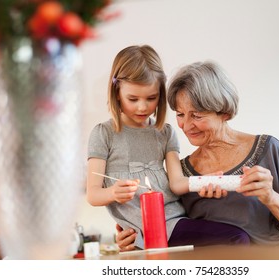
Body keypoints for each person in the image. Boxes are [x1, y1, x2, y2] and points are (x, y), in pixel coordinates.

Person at [116, 60, 279, 250]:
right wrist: (133, 240)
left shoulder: (268, 150)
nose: (186, 125)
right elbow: (174, 233)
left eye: (197, 115)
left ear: (224, 112)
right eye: (180, 114)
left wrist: (270, 197)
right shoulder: (183, 176)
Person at [86, 46, 250, 250]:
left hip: (176, 220)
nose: (142, 107)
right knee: (237, 239)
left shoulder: (165, 133)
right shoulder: (104, 134)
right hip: (147, 232)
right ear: (116, 92)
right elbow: (92, 194)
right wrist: (112, 193)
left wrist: (206, 182)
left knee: (238, 238)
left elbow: (177, 184)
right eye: (133, 99)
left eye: (151, 98)